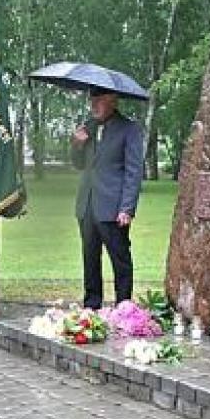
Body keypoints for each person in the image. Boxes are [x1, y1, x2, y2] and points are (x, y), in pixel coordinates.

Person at [70, 87, 145, 309]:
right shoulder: (88, 128)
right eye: (92, 99)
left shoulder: (129, 129)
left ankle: (124, 308)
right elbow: (78, 164)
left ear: (112, 100)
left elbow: (134, 171)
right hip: (87, 206)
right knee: (90, 258)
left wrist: (127, 208)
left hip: (113, 208)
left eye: (99, 100)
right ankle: (91, 306)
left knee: (120, 259)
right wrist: (76, 144)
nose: (93, 104)